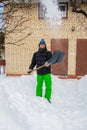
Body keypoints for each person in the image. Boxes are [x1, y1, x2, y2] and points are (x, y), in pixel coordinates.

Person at [28, 39, 52, 103]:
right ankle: (38, 98)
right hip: (39, 73)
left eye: (43, 44)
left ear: (45, 45)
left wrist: (48, 63)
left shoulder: (48, 53)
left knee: (48, 86)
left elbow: (52, 61)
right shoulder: (35, 54)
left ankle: (47, 98)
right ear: (39, 45)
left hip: (47, 73)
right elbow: (33, 63)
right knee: (39, 86)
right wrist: (30, 68)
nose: (42, 45)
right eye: (41, 44)